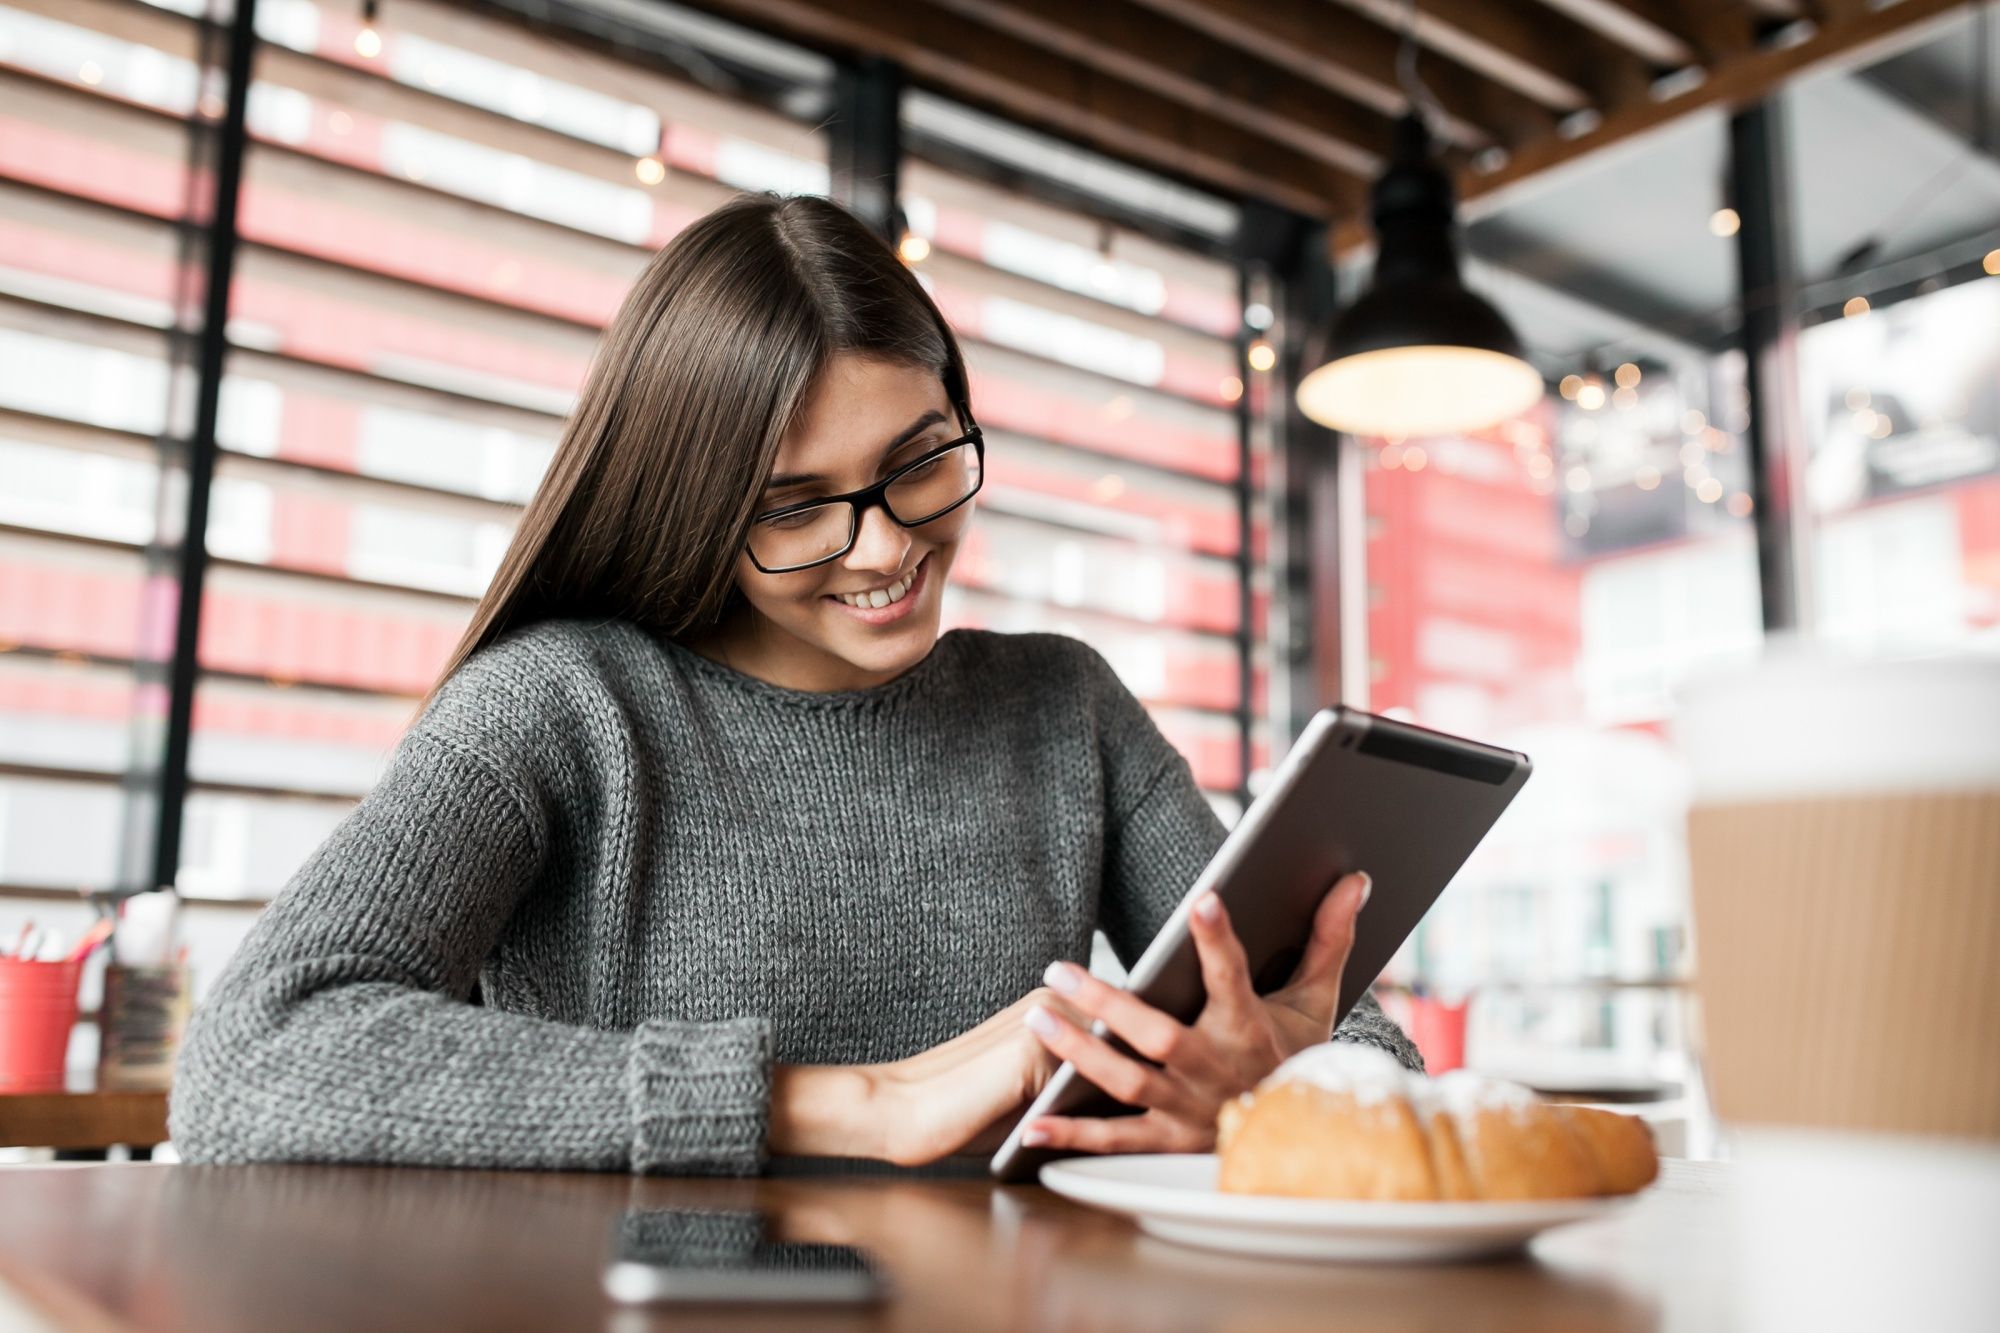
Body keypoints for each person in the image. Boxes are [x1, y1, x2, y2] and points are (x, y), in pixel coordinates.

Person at [168, 193, 1422, 1175]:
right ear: (696, 506)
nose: (886, 549)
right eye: (794, 505)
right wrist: (858, 1102)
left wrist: (1275, 1081)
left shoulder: (1065, 709)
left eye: (919, 461)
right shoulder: (557, 708)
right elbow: (251, 1056)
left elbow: (1362, 1048)